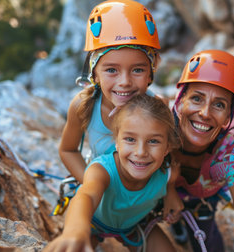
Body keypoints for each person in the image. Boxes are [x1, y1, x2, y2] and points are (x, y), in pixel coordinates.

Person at [43, 94, 182, 252]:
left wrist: (171, 194)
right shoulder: (102, 171)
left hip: (134, 225)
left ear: (167, 147)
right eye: (130, 139)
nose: (141, 152)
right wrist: (76, 231)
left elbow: (170, 182)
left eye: (153, 141)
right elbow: (86, 195)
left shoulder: (169, 173)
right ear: (116, 141)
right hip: (91, 222)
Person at [171, 50, 234, 252]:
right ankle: (177, 223)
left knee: (206, 243)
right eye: (197, 99)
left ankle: (182, 225)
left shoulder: (232, 158)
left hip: (199, 199)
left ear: (229, 116)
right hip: (154, 192)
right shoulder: (156, 130)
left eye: (219, 105)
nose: (204, 113)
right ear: (180, 101)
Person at [59, 0, 161, 183]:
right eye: (111, 70)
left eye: (137, 70)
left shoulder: (158, 109)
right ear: (94, 74)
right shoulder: (82, 106)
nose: (125, 82)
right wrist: (90, 185)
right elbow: (68, 150)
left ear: (150, 74)